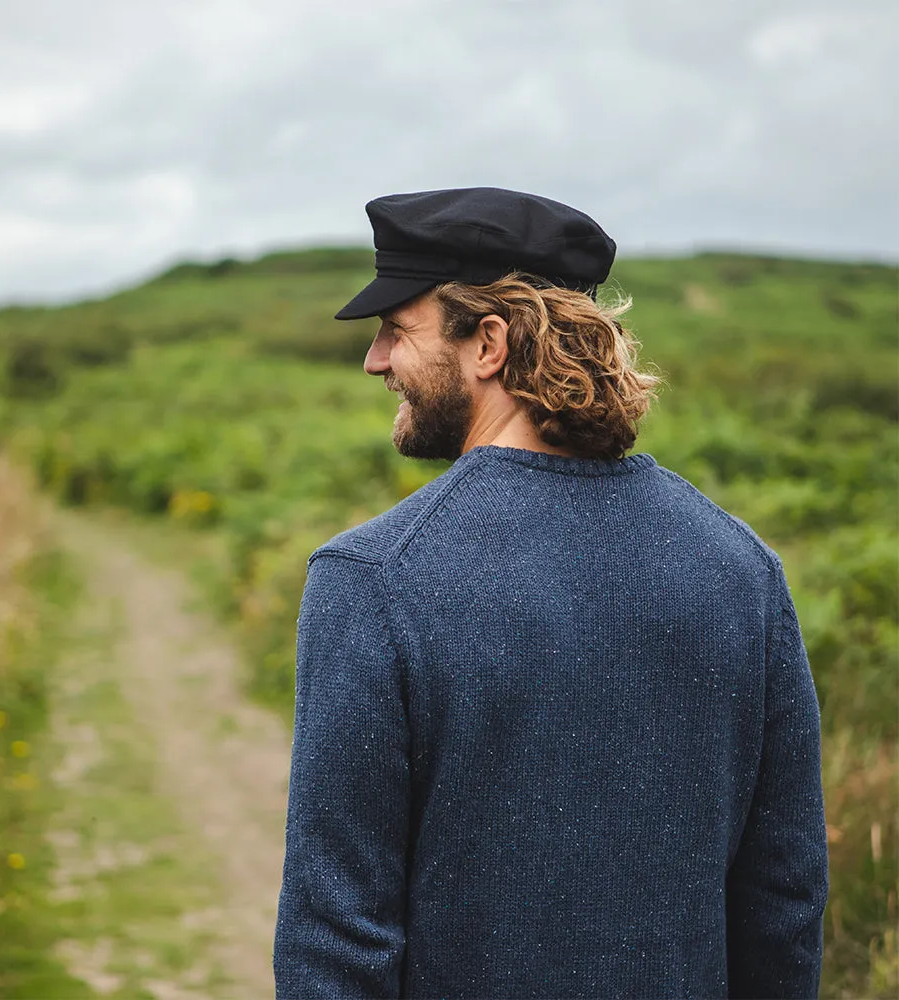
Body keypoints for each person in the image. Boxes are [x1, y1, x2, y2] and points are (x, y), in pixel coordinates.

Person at [273, 187, 828, 999]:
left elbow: (337, 928)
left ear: (489, 343)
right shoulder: (741, 568)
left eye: (398, 330)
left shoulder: (372, 579)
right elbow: (782, 900)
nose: (376, 359)